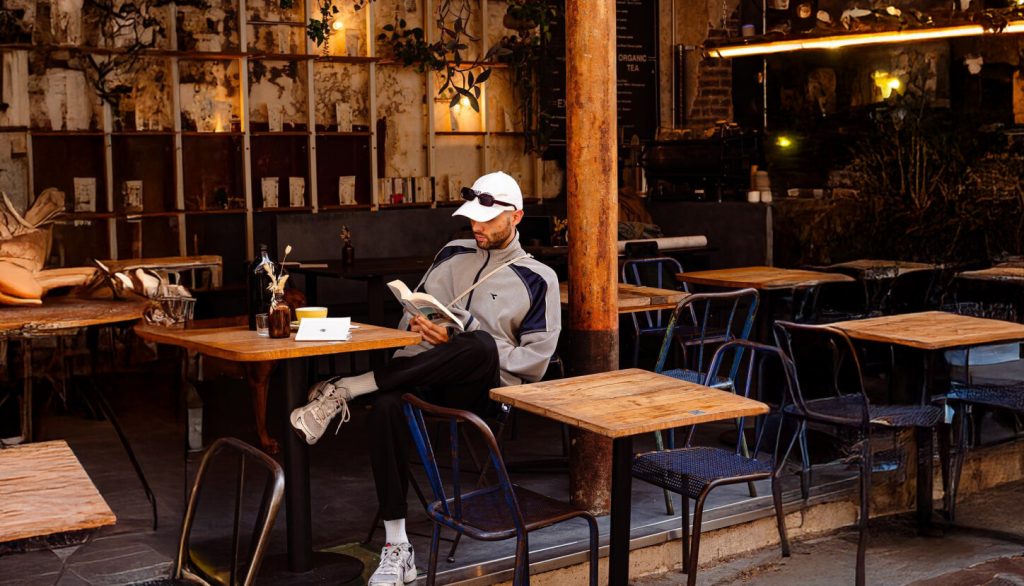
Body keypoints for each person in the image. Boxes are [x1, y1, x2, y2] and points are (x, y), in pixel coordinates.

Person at [289, 171, 561, 586]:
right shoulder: (452, 251)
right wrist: (418, 326)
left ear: (517, 217)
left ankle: (349, 387)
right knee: (386, 407)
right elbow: (408, 313)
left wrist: (459, 333)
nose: (477, 227)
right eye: (473, 218)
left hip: (483, 389)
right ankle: (398, 548)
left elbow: (535, 363)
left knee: (478, 344)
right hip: (421, 372)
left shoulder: (538, 278)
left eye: (487, 221)